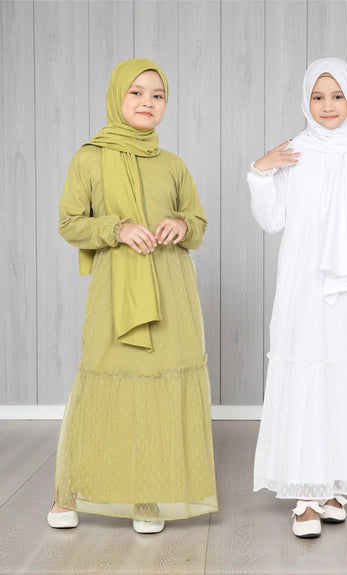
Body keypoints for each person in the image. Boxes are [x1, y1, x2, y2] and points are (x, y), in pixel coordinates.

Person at [48, 58, 218, 534]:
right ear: (117, 96)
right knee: (103, 382)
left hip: (171, 288)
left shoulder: (173, 164)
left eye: (157, 95)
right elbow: (69, 223)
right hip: (116, 289)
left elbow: (198, 223)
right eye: (137, 92)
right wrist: (116, 229)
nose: (148, 102)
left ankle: (146, 497)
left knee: (157, 388)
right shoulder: (89, 158)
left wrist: (181, 224)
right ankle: (69, 494)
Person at [247, 57, 347, 539]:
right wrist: (261, 172)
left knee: (342, 377)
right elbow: (272, 220)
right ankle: (305, 495)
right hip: (303, 287)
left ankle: (332, 486)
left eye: (337, 96)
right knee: (307, 374)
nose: (327, 106)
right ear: (306, 100)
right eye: (317, 96)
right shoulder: (295, 153)